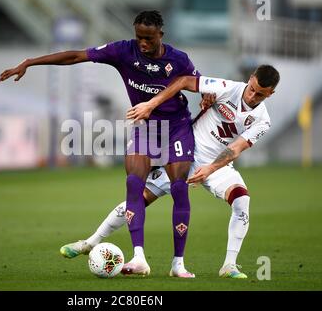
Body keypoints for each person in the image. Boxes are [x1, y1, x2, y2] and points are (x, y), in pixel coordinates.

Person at [0, 11, 213, 278]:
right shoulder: (124, 51)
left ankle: (178, 264)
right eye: (139, 37)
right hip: (145, 126)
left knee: (180, 189)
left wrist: (207, 95)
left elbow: (202, 83)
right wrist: (31, 62)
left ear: (161, 35)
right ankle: (138, 258)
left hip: (177, 127)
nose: (142, 43)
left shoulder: (178, 59)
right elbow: (76, 56)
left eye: (148, 38)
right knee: (133, 185)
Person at [60, 64, 280, 279]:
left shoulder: (263, 121)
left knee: (242, 200)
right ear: (250, 79)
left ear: (271, 94)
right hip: (185, 155)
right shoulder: (226, 87)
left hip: (217, 166)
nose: (252, 96)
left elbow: (236, 148)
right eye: (252, 89)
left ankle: (229, 265)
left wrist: (211, 169)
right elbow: (186, 81)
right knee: (139, 199)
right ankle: (90, 243)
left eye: (260, 95)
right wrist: (205, 97)